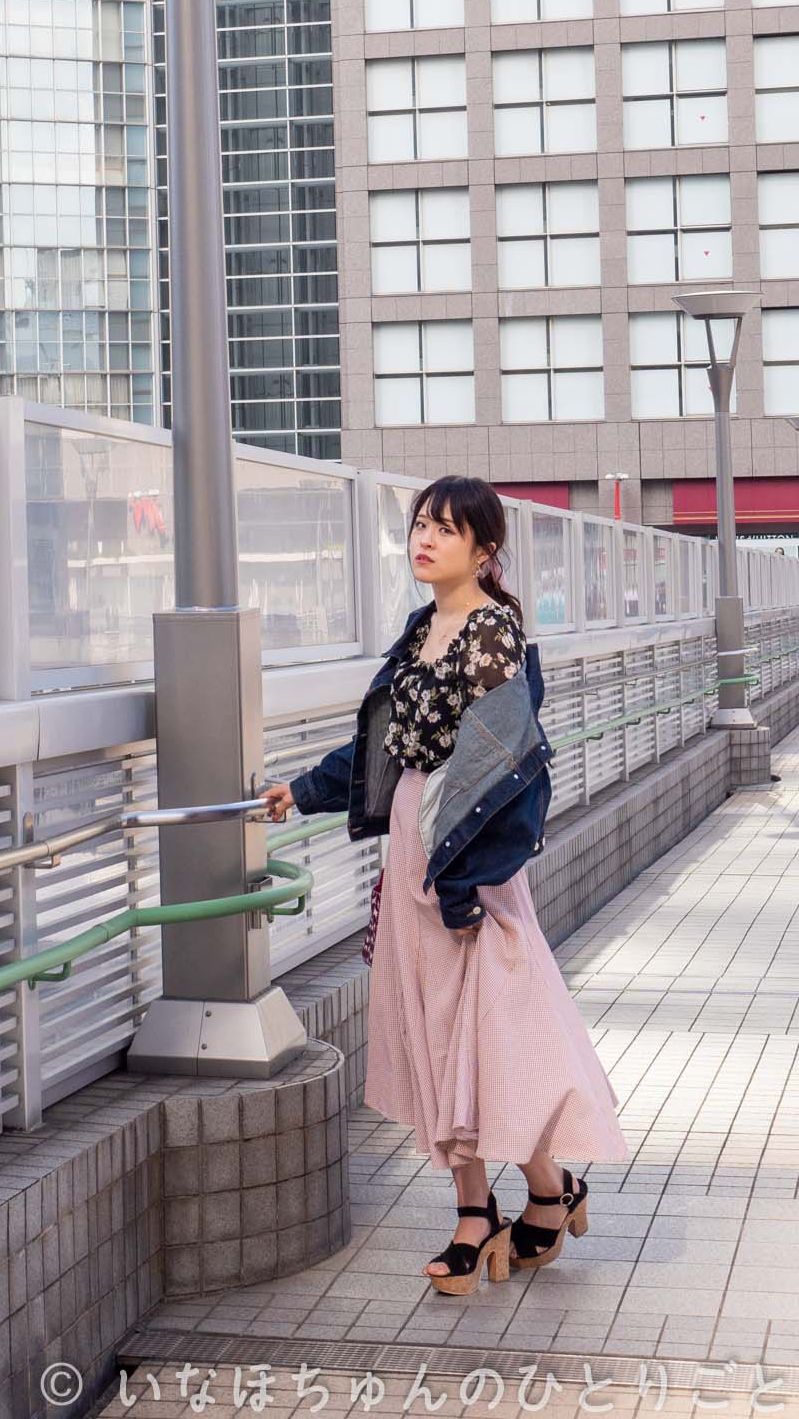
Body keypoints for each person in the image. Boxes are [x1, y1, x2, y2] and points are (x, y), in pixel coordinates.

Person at [262, 475, 626, 1297]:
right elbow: (385, 751)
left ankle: (544, 1186)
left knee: (492, 1032)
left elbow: (505, 770)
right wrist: (305, 790)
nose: (424, 538)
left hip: (463, 857)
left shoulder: (493, 632)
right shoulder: (422, 630)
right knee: (433, 1033)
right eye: (421, 524)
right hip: (413, 844)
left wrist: (460, 879)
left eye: (446, 528)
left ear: (485, 549)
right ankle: (487, 1206)